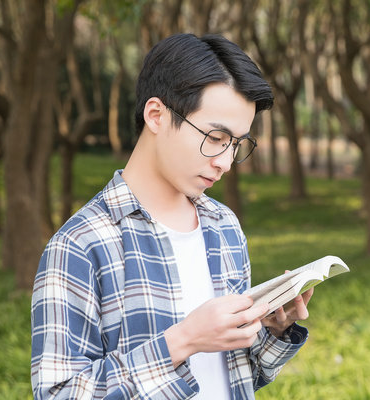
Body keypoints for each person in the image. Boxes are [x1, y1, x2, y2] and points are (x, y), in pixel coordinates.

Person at [31, 33, 313, 400]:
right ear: (156, 116)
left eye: (237, 144)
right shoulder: (81, 245)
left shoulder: (224, 226)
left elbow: (234, 375)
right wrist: (182, 340)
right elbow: (58, 394)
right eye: (215, 137)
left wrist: (273, 329)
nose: (225, 162)